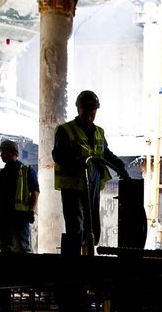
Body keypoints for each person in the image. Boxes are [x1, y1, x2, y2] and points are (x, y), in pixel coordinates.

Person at [52, 90, 130, 253]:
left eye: (92, 111)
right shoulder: (65, 130)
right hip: (73, 185)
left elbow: (105, 153)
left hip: (92, 183)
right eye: (86, 111)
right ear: (78, 109)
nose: (89, 115)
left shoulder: (99, 132)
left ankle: (88, 258)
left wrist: (120, 167)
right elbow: (58, 155)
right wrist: (76, 163)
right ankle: (75, 263)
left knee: (91, 225)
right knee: (76, 225)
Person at [0, 139, 39, 253]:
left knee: (22, 247)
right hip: (4, 216)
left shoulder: (26, 170)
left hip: (19, 216)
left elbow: (35, 191)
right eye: (1, 152)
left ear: (13, 153)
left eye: (4, 152)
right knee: (5, 248)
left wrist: (31, 210)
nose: (1, 155)